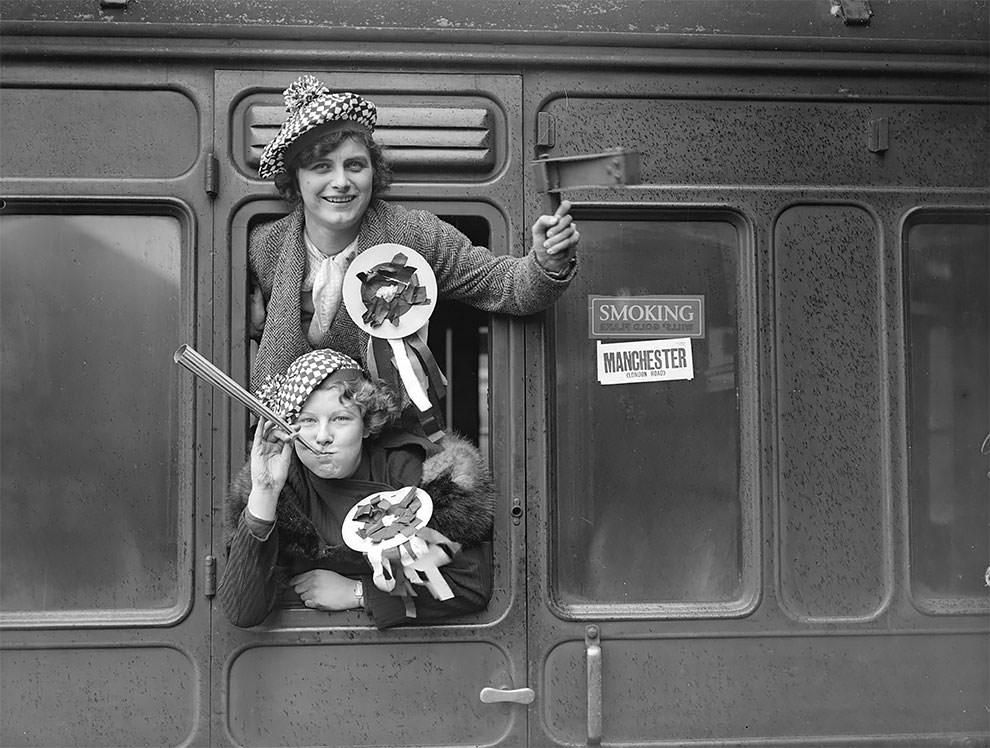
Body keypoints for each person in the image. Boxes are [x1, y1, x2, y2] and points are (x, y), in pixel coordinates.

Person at [248, 74, 580, 391]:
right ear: (295, 180)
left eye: (355, 165)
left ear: (372, 172)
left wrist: (546, 262)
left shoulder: (414, 233)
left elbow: (505, 286)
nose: (341, 182)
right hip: (294, 436)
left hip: (390, 435)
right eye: (322, 167)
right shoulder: (261, 246)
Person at [218, 348, 495, 629]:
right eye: (307, 421)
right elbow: (241, 610)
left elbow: (470, 584)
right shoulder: (285, 488)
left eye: (340, 419)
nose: (323, 436)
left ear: (365, 425)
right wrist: (264, 492)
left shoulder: (409, 472)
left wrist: (359, 593)